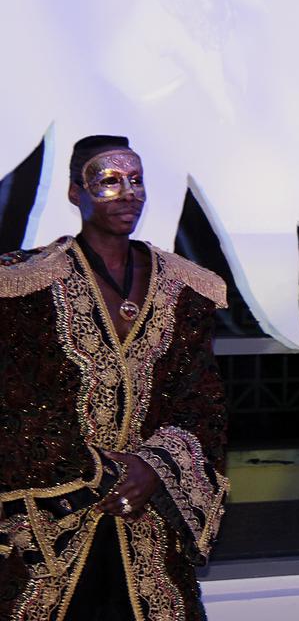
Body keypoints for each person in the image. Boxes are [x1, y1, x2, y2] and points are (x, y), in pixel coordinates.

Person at [0, 136, 229, 621]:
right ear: (74, 192)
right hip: (50, 519)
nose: (129, 193)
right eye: (109, 181)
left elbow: (201, 401)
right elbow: (15, 400)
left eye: (137, 180)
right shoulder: (22, 286)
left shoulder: (187, 287)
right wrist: (102, 472)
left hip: (148, 514)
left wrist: (153, 468)